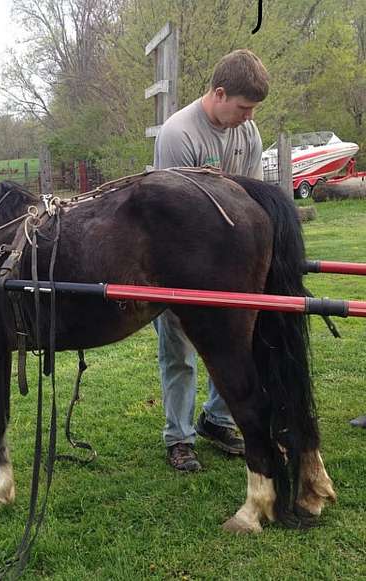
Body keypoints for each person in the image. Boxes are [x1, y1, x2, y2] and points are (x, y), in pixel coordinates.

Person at [153, 49, 270, 472]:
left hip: (229, 261)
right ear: (219, 94)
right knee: (179, 349)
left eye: (253, 108)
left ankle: (216, 420)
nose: (248, 116)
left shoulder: (249, 133)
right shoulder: (178, 134)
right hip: (176, 261)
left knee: (239, 341)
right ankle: (179, 438)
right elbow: (174, 218)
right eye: (243, 107)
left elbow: (250, 202)